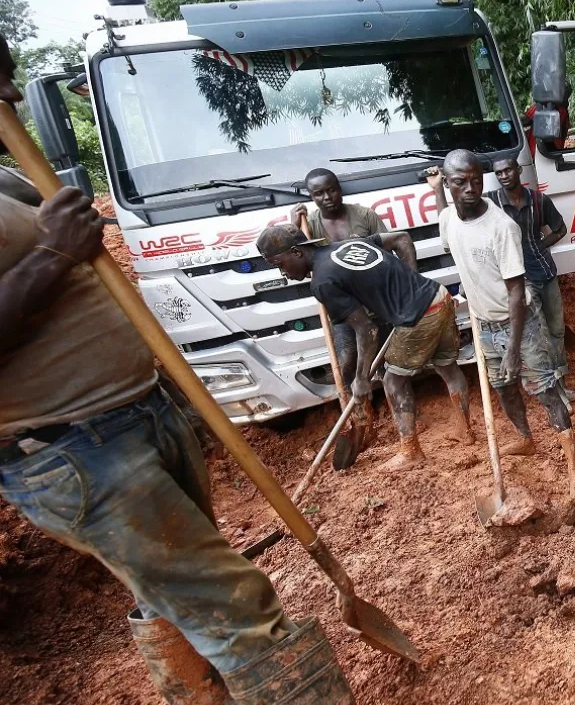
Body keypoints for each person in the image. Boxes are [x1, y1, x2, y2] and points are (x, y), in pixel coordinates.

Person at [0, 34, 351, 704]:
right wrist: (51, 256)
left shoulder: (7, 176)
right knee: (238, 608)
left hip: (136, 414)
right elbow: (51, 266)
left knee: (171, 595)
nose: (14, 95)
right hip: (73, 447)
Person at [425, 150, 575, 495]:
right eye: (459, 182)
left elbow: (516, 293)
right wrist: (435, 190)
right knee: (502, 389)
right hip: (484, 325)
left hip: (520, 325)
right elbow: (449, 237)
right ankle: (525, 439)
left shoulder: (502, 227)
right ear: (449, 184)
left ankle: (574, 467)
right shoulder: (448, 219)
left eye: (475, 180)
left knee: (544, 390)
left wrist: (513, 349)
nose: (469, 188)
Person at [256, 223, 473, 470]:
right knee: (447, 367)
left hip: (419, 317)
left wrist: (360, 379)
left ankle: (410, 452)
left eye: (279, 264)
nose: (282, 273)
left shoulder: (322, 282)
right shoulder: (348, 244)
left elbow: (367, 330)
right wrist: (411, 281)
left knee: (393, 381)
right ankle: (465, 431)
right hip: (438, 297)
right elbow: (402, 238)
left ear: (296, 252)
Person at [487, 157, 575, 401]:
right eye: (499, 172)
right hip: (520, 281)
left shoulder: (538, 200)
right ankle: (555, 391)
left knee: (557, 331)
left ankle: (563, 385)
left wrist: (538, 245)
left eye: (508, 170)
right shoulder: (491, 203)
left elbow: (560, 229)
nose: (504, 175)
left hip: (546, 273)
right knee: (542, 336)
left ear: (518, 170)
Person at [289, 167, 388, 386]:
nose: (327, 198)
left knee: (385, 360)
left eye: (331, 190)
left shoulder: (365, 216)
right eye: (319, 194)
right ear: (311, 197)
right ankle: (360, 409)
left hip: (376, 302)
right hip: (342, 308)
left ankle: (391, 405)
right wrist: (293, 228)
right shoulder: (309, 227)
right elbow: (297, 266)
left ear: (339, 189)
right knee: (347, 361)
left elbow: (388, 254)